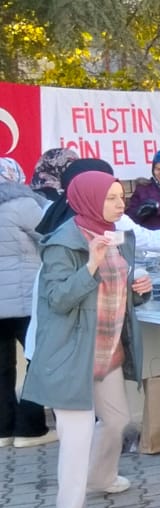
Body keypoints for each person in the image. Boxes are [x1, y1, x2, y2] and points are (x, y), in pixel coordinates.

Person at [24, 171, 151, 508]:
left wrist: (138, 290)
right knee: (76, 438)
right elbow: (60, 300)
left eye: (120, 196)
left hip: (109, 350)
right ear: (89, 200)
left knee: (117, 421)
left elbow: (120, 292)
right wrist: (91, 264)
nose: (119, 204)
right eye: (111, 198)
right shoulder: (62, 244)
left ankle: (102, 477)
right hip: (72, 354)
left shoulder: (118, 236)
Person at [0, 158, 52, 448]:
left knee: (2, 368)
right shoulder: (24, 204)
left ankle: (3, 430)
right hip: (24, 299)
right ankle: (29, 429)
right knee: (39, 358)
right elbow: (49, 235)